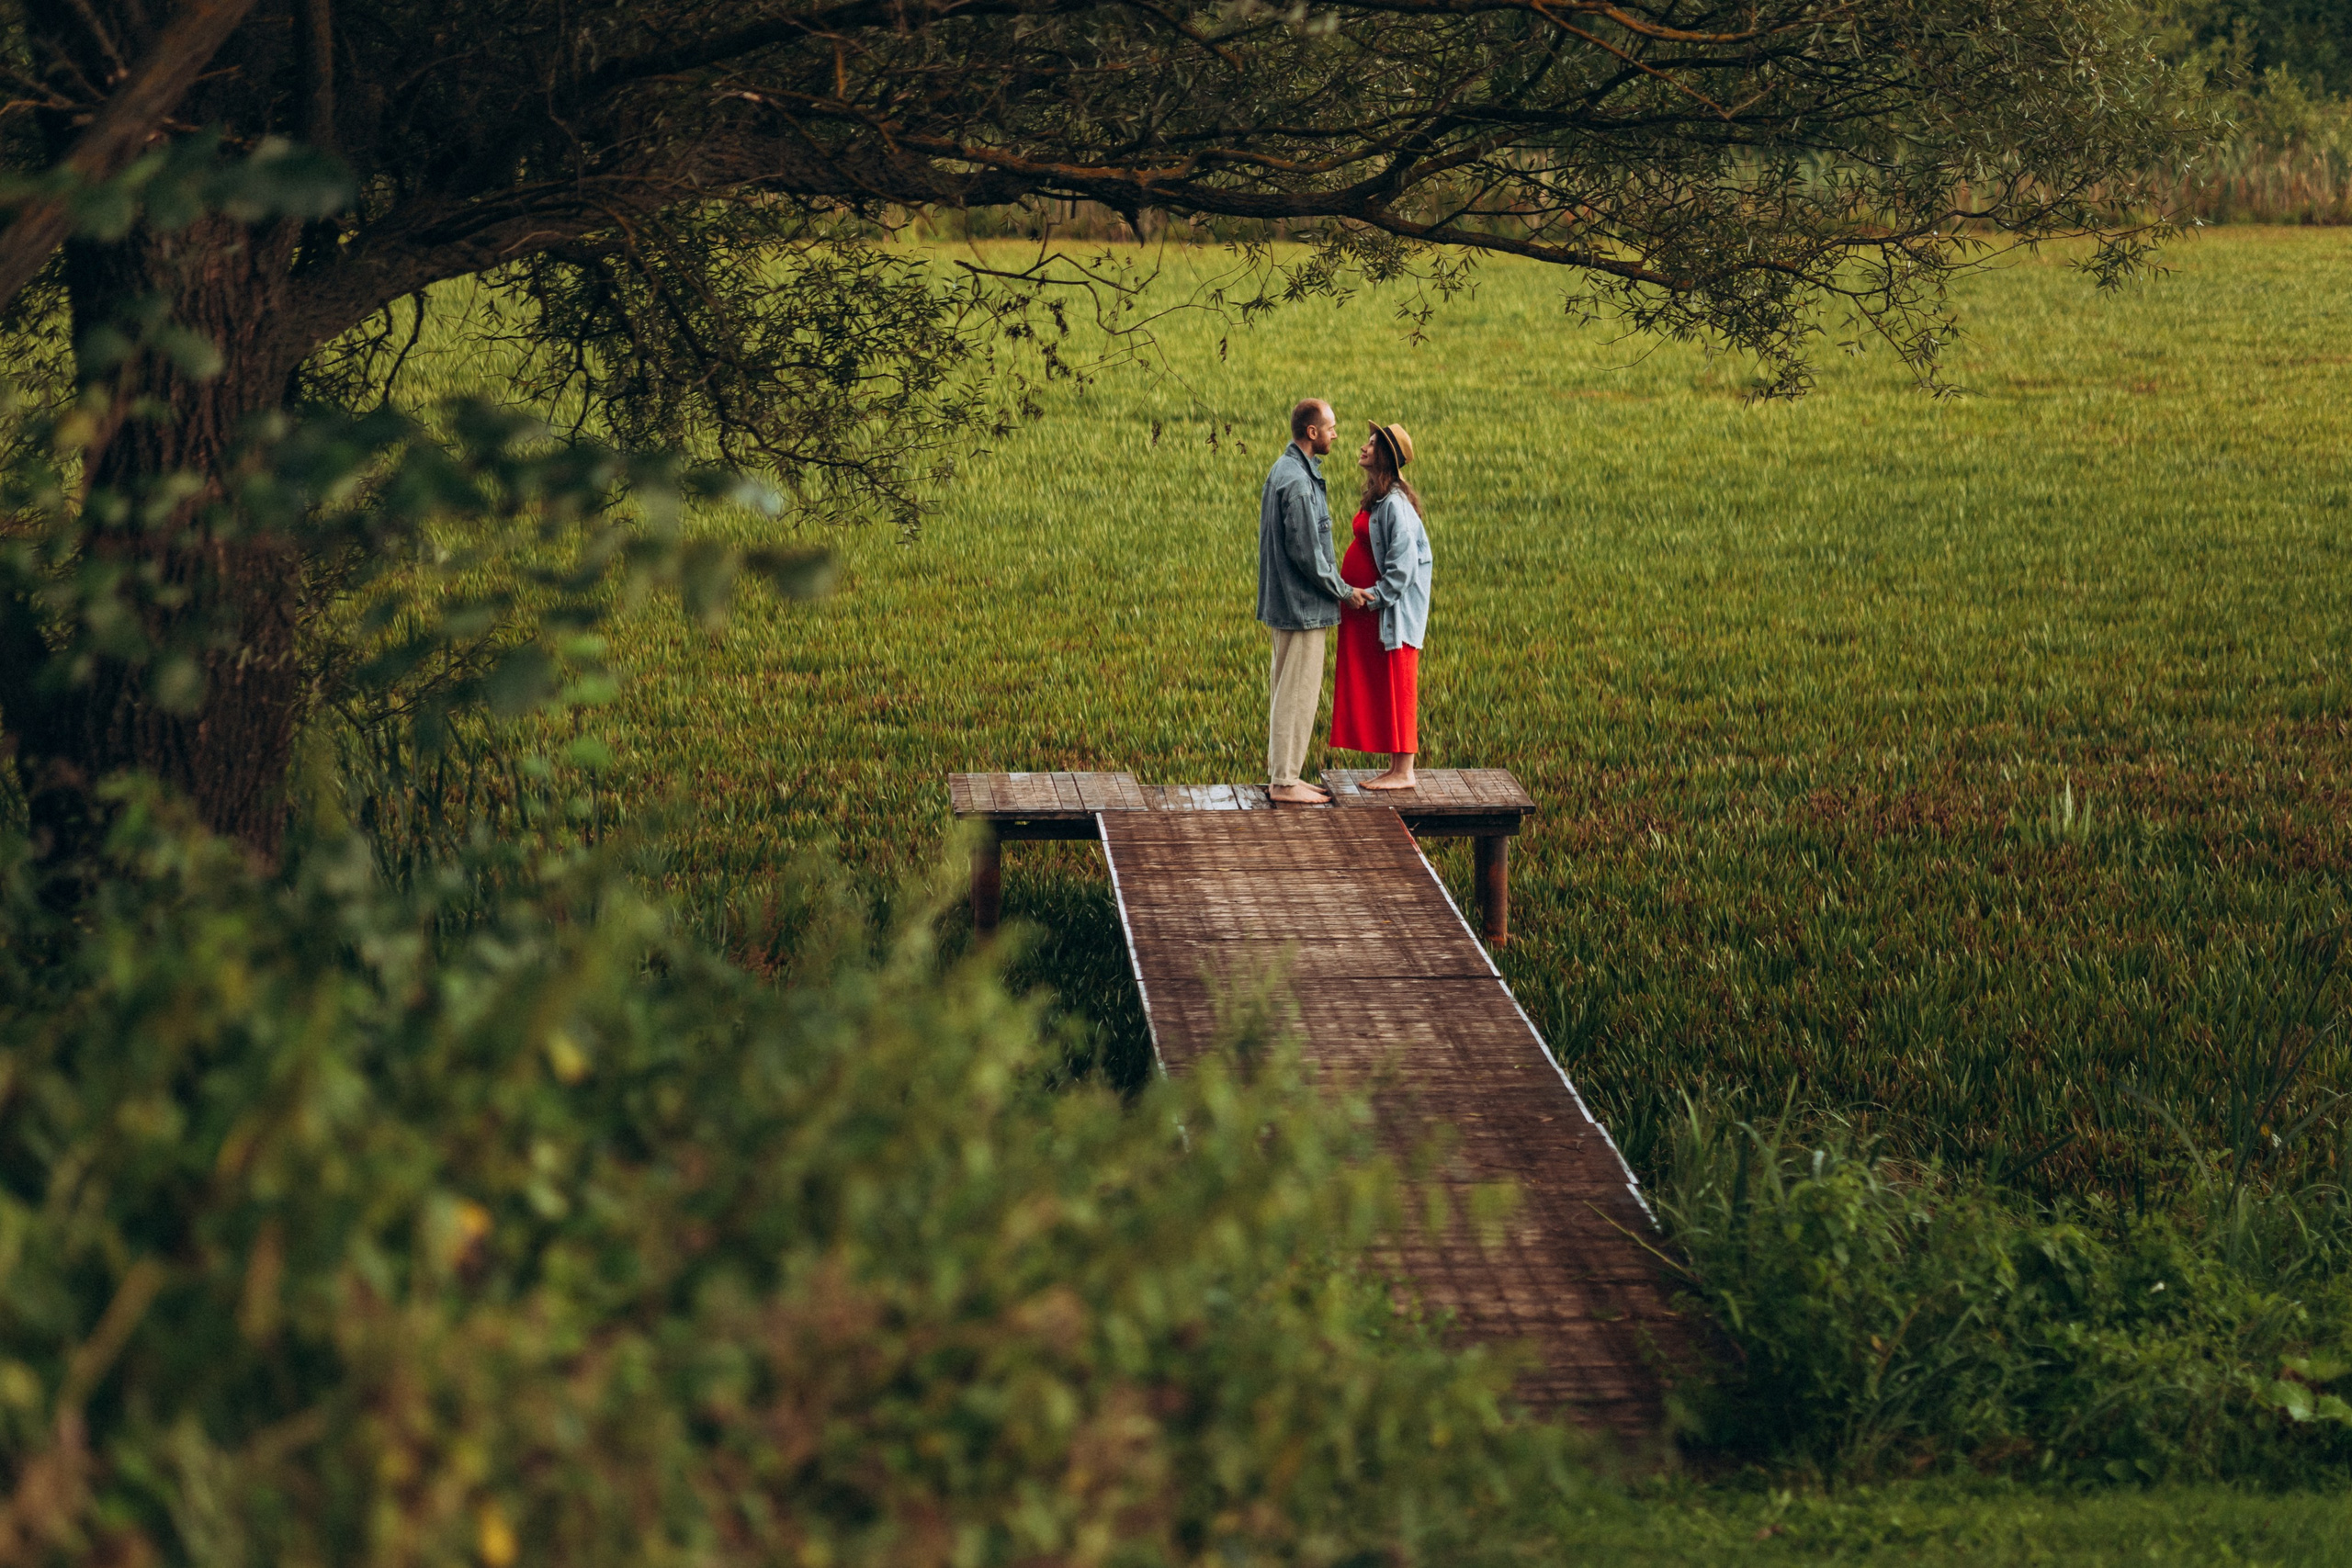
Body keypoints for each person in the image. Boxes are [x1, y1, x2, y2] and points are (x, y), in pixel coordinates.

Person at [1258, 398, 1371, 804]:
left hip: (1286, 605)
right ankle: (1285, 783)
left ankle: (1285, 775)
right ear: (1312, 433)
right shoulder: (1300, 484)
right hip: (1302, 608)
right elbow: (1309, 555)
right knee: (1297, 694)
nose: (1336, 434)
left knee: (1285, 690)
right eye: (1331, 428)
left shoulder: (1283, 470)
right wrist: (1345, 591)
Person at [1329, 421, 1430, 790]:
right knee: (1387, 684)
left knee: (1399, 681)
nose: (1363, 448)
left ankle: (1404, 772)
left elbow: (1403, 569)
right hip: (1371, 614)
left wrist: (1373, 598)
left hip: (1389, 614)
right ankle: (1395, 768)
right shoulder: (1380, 497)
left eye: (1371, 444)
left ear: (1384, 456)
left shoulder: (1395, 506)